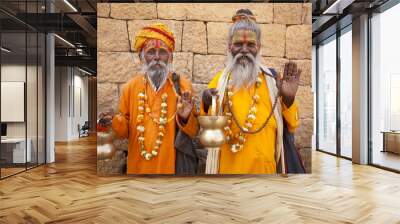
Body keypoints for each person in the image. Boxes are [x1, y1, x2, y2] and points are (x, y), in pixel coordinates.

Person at [201, 9, 302, 174]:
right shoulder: (219, 81)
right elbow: (208, 127)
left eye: (250, 45)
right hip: (229, 173)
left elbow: (292, 126)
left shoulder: (273, 80)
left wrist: (289, 99)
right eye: (239, 44)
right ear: (229, 47)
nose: (244, 50)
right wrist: (206, 102)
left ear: (259, 47)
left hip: (265, 173)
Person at [98, 23, 197, 174]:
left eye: (162, 52)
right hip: (138, 165)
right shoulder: (130, 88)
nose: (157, 57)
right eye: (151, 52)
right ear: (141, 56)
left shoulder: (183, 86)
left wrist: (185, 118)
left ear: (170, 56)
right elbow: (124, 132)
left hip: (172, 167)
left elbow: (194, 131)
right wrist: (113, 122)